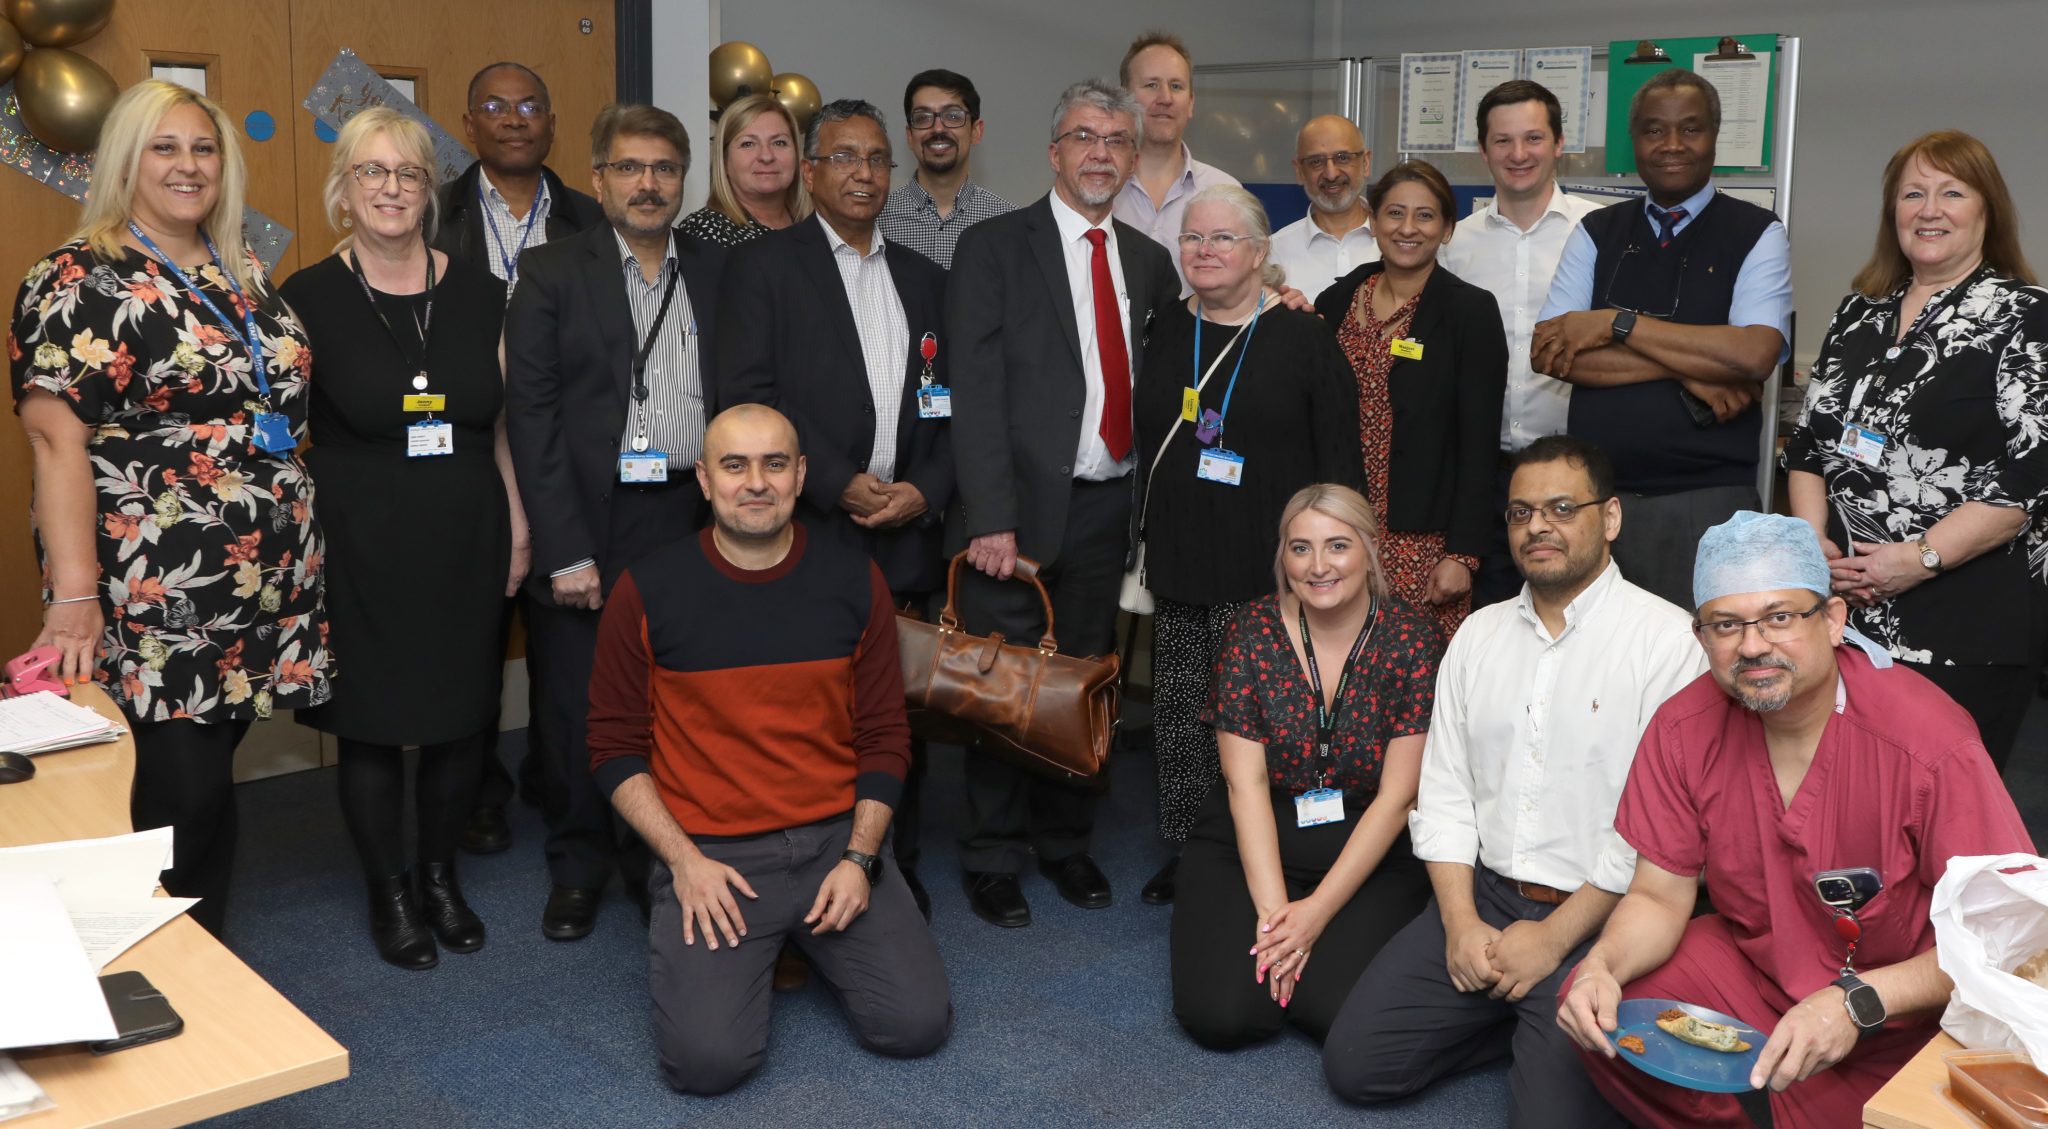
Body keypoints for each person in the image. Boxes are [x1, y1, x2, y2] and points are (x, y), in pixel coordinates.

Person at [1557, 511, 2035, 1129]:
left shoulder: (1927, 740)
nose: (1752, 645)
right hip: (1761, 975)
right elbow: (1656, 895)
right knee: (1598, 1004)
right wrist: (1601, 965)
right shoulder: (1681, 729)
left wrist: (1858, 1001)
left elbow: (2008, 933)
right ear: (1702, 639)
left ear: (1834, 620)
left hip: (1908, 1015)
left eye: (1780, 617)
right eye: (1726, 624)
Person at [9, 79, 332, 937]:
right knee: (178, 788)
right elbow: (53, 441)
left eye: (204, 148)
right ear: (125, 159)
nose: (189, 166)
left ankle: (199, 950)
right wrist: (75, 595)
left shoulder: (238, 266)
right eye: (166, 147)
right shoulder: (80, 277)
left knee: (207, 774)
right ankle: (164, 964)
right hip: (157, 584)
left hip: (254, 579)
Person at [1323, 436, 1704, 1125]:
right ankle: (1518, 1021)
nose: (1539, 526)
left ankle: (1537, 1019)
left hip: (1599, 920)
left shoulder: (1669, 643)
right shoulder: (1478, 635)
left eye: (1562, 507)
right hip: (1488, 900)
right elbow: (1442, 794)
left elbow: (1652, 839)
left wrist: (1555, 940)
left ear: (1611, 518)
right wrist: (1461, 922)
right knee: (1357, 1065)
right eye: (1521, 511)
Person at [588, 404, 950, 1095]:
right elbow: (612, 747)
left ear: (801, 475)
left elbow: (884, 736)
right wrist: (684, 862)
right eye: (735, 464)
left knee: (917, 1025)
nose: (756, 482)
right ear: (704, 478)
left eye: (775, 463)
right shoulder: (647, 589)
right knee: (707, 1065)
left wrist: (860, 857)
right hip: (714, 856)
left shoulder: (854, 581)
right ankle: (767, 938)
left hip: (833, 847)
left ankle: (794, 937)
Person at [278, 109, 516, 969]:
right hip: (359, 536)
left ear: (428, 190)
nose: (390, 189)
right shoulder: (303, 297)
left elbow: (502, 432)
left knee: (460, 718)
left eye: (408, 173)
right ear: (344, 189)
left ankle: (440, 877)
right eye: (372, 172)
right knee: (372, 725)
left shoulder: (484, 291)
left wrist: (519, 532)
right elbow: (277, 434)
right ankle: (389, 891)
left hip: (464, 527)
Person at [946, 78, 1180, 927]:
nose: (1101, 154)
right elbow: (972, 392)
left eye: (1117, 140)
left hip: (1108, 509)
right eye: (1084, 137)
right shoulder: (994, 246)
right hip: (1018, 515)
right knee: (1004, 690)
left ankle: (1064, 842)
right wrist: (991, 516)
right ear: (1054, 152)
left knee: (1082, 684)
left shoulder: (1149, 262)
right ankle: (992, 855)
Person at [714, 98, 952, 917]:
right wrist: (833, 479)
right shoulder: (765, 268)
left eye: (878, 158)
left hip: (905, 531)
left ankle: (893, 863)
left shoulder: (926, 278)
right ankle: (800, 868)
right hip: (808, 529)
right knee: (806, 712)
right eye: (844, 157)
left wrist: (930, 485)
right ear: (810, 172)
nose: (863, 173)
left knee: (897, 708)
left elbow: (952, 402)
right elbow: (746, 394)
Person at [504, 103, 724, 941]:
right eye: (629, 168)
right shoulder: (552, 271)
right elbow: (534, 415)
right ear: (598, 180)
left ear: (682, 179)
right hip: (589, 521)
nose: (647, 183)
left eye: (664, 169)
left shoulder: (715, 269)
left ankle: (656, 860)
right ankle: (579, 863)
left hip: (690, 515)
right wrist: (562, 549)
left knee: (677, 697)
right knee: (574, 703)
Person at [1785, 130, 2047, 772]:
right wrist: (1808, 538)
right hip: (1846, 610)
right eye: (1913, 194)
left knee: (1944, 817)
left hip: (1966, 623)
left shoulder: (2027, 316)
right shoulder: (1858, 313)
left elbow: (2027, 480)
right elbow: (1808, 444)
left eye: (1952, 192)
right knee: (1848, 806)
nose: (1930, 209)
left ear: (1987, 210)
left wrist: (1919, 559)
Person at [1131, 184, 1362, 906]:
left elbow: (1340, 463)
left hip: (1272, 570)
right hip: (1180, 557)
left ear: (1261, 255)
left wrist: (1335, 562)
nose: (1204, 250)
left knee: (1267, 718)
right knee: (1181, 712)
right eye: (1193, 238)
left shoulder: (1304, 335)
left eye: (1222, 239)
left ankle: (1267, 851)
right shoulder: (1168, 325)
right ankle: (1187, 844)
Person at [1171, 484, 1438, 1049]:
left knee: (1332, 1012)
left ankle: (1318, 942)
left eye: (1337, 546)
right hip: (1255, 831)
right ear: (1282, 557)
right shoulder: (1250, 630)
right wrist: (1275, 924)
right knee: (1225, 1018)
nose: (1319, 567)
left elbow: (1398, 798)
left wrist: (1315, 914)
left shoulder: (1413, 637)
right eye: (1300, 548)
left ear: (1369, 549)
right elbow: (1245, 783)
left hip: (1369, 842)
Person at [1531, 68, 1793, 610]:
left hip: (1708, 500)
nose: (1672, 145)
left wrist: (1613, 324)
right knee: (1595, 669)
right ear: (1635, 142)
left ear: (1715, 136)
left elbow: (1754, 353)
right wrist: (1692, 365)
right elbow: (1552, 353)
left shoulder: (1757, 233)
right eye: (1654, 130)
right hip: (1595, 501)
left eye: (1690, 129)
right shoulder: (1597, 233)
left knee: (1704, 664)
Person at [435, 60, 604, 859]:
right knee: (471, 635)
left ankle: (552, 773)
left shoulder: (588, 217)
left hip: (562, 453)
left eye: (530, 104)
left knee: (563, 637)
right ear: (468, 123)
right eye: (494, 105)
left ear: (551, 123)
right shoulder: (432, 215)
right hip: (461, 455)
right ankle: (478, 792)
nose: (513, 118)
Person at [1316, 160, 1507, 641]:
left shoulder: (1470, 311)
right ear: (1373, 221)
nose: (1407, 228)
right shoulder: (1335, 301)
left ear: (1447, 229)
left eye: (1425, 216)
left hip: (1422, 539)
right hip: (1339, 526)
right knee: (1339, 668)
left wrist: (1462, 554)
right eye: (1394, 213)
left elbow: (1478, 443)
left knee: (1412, 687)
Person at [1440, 80, 1602, 609]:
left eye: (1533, 138)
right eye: (1502, 141)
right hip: (1484, 476)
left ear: (1559, 144)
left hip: (1578, 474)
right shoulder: (1455, 243)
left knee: (1580, 619)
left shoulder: (1599, 232)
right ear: (1483, 150)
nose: (1518, 154)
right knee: (1490, 622)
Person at [1112, 31, 1240, 275]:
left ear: (1191, 102)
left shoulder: (1226, 192)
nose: (1166, 98)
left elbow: (1249, 288)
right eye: (1152, 85)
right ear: (1123, 99)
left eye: (1176, 86)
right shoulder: (1099, 188)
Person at [876, 69, 1015, 269]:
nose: (938, 129)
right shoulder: (878, 220)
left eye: (952, 116)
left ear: (976, 131)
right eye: (923, 118)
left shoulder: (1009, 224)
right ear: (909, 136)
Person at [1266, 115, 1377, 304]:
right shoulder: (1273, 253)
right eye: (1316, 162)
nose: (1331, 174)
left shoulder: (1400, 244)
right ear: (1299, 171)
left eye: (1342, 158)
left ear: (1365, 163)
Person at [677, 93, 810, 248]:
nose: (766, 156)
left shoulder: (818, 228)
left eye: (779, 143)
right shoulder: (704, 229)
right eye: (748, 144)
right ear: (725, 161)